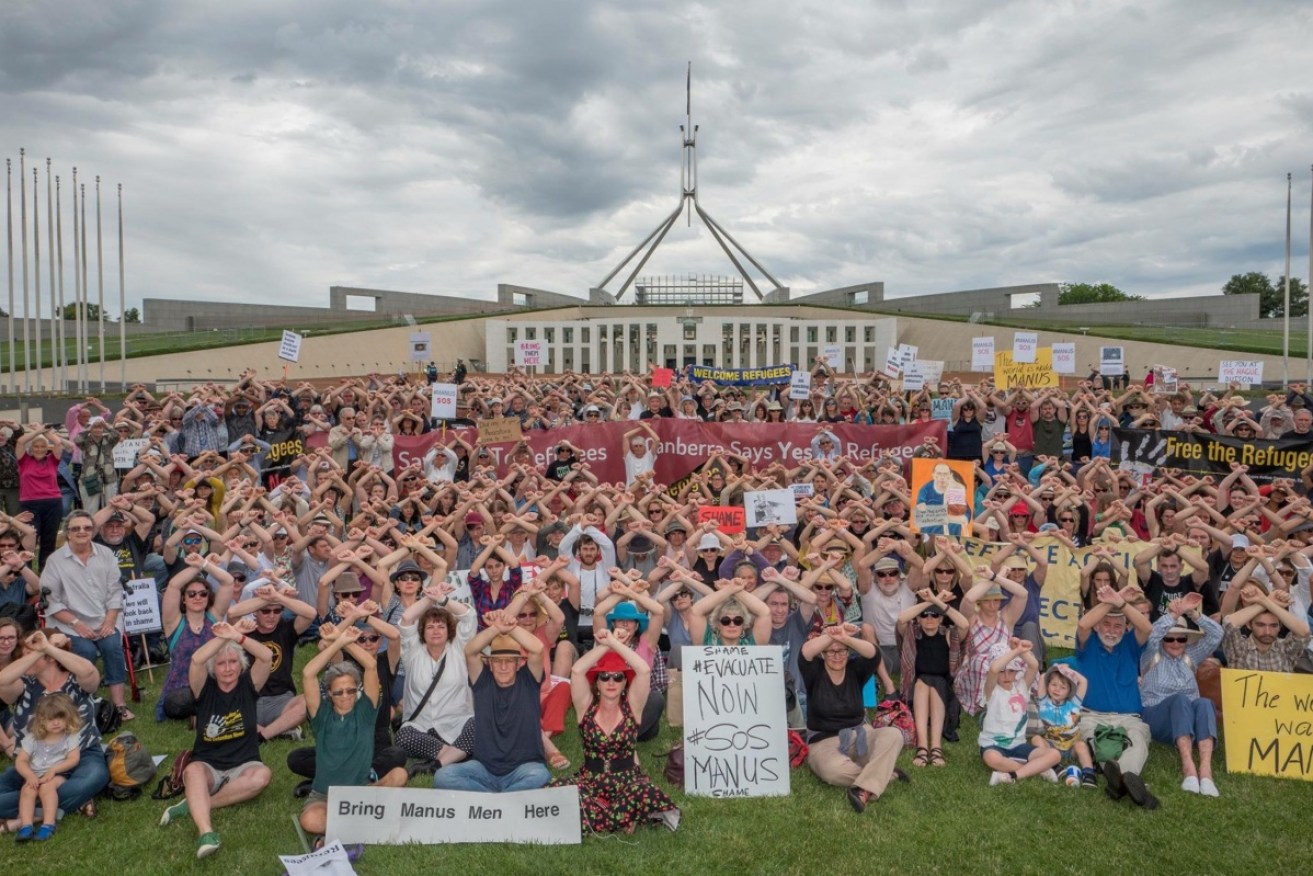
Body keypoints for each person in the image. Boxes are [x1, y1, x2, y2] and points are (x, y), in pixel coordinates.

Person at [159, 620, 273, 859]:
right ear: (214, 668)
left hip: (245, 764)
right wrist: (224, 638)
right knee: (192, 772)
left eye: (233, 662)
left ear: (240, 664)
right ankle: (206, 832)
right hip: (209, 764)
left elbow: (266, 656)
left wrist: (238, 636)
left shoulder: (249, 685)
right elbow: (198, 660)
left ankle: (195, 804)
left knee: (263, 777)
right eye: (221, 664)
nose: (228, 668)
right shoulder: (203, 687)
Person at [551, 629, 678, 833]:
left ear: (625, 682)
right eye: (604, 676)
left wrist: (615, 643)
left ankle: (602, 816)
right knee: (559, 788)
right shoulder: (585, 706)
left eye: (618, 677)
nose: (611, 682)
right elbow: (576, 671)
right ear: (597, 683)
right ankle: (622, 816)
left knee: (644, 791)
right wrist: (605, 645)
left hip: (626, 780)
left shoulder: (633, 706)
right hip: (591, 779)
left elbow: (644, 670)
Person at [298, 622, 404, 846]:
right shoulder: (321, 716)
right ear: (329, 694)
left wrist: (347, 641)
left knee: (399, 776)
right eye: (338, 691)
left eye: (350, 690)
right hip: (324, 796)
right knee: (310, 820)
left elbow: (371, 667)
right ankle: (358, 826)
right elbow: (308, 673)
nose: (345, 695)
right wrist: (339, 642)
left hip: (361, 794)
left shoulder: (366, 712)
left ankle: (341, 830)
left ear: (357, 690)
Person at [433, 609, 550, 792]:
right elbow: (470, 651)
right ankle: (503, 799)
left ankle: (490, 801)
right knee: (443, 776)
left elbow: (538, 649)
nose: (503, 667)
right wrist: (496, 629)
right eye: (497, 661)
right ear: (490, 663)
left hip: (524, 767)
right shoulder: (483, 682)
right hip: (484, 768)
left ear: (519, 663)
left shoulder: (529, 681)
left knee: (540, 775)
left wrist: (510, 627)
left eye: (509, 661)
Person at [799, 623, 908, 813]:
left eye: (842, 651)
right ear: (823, 654)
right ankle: (884, 773)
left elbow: (874, 653)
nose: (837, 656)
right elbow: (806, 652)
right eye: (831, 652)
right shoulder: (814, 672)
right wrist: (832, 635)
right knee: (833, 772)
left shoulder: (856, 670)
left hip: (860, 735)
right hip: (824, 742)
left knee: (894, 735)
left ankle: (863, 786)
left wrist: (846, 638)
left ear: (848, 653)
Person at [41, 509, 134, 722]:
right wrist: (77, 624)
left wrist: (110, 620)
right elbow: (51, 602)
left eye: (87, 528)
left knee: (112, 647)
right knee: (85, 651)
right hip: (69, 623)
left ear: (93, 530)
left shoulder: (106, 554)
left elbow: (115, 591)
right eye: (76, 528)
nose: (82, 532)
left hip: (105, 619)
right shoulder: (55, 561)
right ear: (68, 533)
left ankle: (119, 705)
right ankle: (85, 702)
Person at [1076, 585, 1158, 809]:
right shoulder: (1088, 644)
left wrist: (1121, 603)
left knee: (1139, 739)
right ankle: (1125, 780)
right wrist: (1115, 599)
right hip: (1092, 716)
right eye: (1106, 624)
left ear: (1125, 628)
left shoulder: (1131, 645)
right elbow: (1083, 624)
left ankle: (1123, 778)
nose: (1111, 630)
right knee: (1099, 742)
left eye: (1118, 625)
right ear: (1098, 627)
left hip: (1129, 716)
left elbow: (1147, 628)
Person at [1140, 593, 1224, 796]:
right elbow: (1151, 634)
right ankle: (1189, 768)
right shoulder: (1150, 652)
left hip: (1189, 716)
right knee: (1180, 700)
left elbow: (1217, 634)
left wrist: (1193, 614)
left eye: (1181, 638)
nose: (1175, 643)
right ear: (1163, 639)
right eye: (1169, 638)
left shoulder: (1191, 655)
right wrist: (1173, 614)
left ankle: (1206, 771)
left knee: (1204, 703)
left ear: (1186, 639)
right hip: (1157, 716)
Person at [395, 582, 477, 772]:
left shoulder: (459, 648)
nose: (436, 631)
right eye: (430, 627)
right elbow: (407, 617)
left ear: (449, 630)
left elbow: (469, 616)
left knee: (480, 726)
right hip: (420, 725)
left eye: (441, 626)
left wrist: (443, 599)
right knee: (403, 737)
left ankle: (436, 765)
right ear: (422, 632)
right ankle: (457, 755)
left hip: (456, 723)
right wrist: (430, 598)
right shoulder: (412, 652)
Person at [897, 589, 967, 767]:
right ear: (919, 618)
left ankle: (935, 747)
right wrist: (930, 602)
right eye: (925, 615)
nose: (930, 619)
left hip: (943, 691)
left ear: (941, 618)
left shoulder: (949, 634)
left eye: (935, 615)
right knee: (922, 683)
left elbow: (964, 624)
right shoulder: (913, 633)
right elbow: (902, 618)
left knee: (935, 683)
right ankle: (922, 746)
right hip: (915, 690)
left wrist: (937, 601)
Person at [978, 638, 1060, 785]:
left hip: (1019, 745)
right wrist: (1015, 651)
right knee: (991, 758)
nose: (1007, 676)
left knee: (1054, 755)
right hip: (994, 745)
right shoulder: (991, 691)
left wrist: (1019, 649)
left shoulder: (1022, 687)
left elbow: (1034, 665)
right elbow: (993, 669)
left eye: (1011, 671)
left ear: (1016, 672)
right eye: (1002, 672)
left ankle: (1011, 776)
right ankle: (1037, 769)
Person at [13, 692, 81, 843]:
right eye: (51, 719)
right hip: (35, 774)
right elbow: (21, 760)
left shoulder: (70, 737)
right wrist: (29, 775)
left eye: (60, 718)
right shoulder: (33, 738)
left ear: (67, 717)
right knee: (27, 789)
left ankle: (48, 825)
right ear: (42, 721)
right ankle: (26, 826)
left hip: (59, 774)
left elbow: (74, 759)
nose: (56, 723)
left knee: (46, 788)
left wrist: (54, 770)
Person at [1030, 663, 1096, 788]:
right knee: (1036, 739)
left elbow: (1084, 682)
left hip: (1071, 747)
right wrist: (1056, 668)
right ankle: (1053, 765)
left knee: (1081, 745)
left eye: (1062, 687)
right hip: (1051, 746)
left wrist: (1068, 671)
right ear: (1048, 685)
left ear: (1069, 691)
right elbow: (1043, 676)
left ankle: (1089, 773)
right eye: (1053, 685)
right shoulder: (1044, 701)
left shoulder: (1074, 704)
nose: (1057, 689)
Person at [1222, 585, 1312, 672]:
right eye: (1261, 625)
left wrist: (1266, 601)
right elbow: (1229, 623)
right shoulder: (1239, 649)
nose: (1267, 632)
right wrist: (1267, 601)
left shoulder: (1285, 649)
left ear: (1279, 627)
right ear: (1249, 625)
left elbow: (1304, 632)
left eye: (1273, 625)